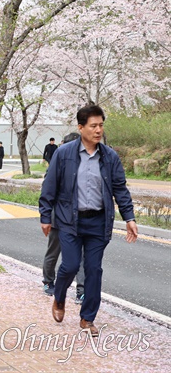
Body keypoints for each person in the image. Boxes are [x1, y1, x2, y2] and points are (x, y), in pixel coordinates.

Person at [39, 102, 138, 337]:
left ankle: (87, 318)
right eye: (93, 126)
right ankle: (59, 297)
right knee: (70, 265)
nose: (98, 130)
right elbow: (49, 186)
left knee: (93, 269)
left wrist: (129, 217)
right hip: (69, 221)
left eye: (101, 125)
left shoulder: (109, 156)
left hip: (98, 222)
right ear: (81, 127)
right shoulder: (64, 154)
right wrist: (45, 216)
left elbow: (120, 189)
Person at [41, 132, 85, 304]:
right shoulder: (57, 164)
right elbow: (47, 191)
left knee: (81, 257)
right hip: (59, 218)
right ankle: (48, 281)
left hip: (79, 219)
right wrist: (46, 217)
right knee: (54, 251)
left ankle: (81, 290)